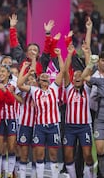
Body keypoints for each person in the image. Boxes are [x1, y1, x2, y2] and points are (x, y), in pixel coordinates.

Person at [17, 48, 65, 178]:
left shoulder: (54, 88)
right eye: (42, 76)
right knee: (39, 154)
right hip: (39, 127)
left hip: (53, 125)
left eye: (46, 76)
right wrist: (27, 72)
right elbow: (19, 84)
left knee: (53, 155)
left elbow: (63, 70)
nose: (45, 76)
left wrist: (60, 55)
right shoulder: (34, 90)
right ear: (39, 81)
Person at [63, 43, 94, 178]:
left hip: (84, 127)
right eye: (75, 75)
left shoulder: (87, 89)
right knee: (68, 154)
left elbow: (89, 69)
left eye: (79, 75)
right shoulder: (68, 88)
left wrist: (87, 54)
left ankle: (90, 176)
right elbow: (64, 71)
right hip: (69, 127)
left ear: (83, 79)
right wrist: (69, 54)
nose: (77, 77)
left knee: (87, 154)